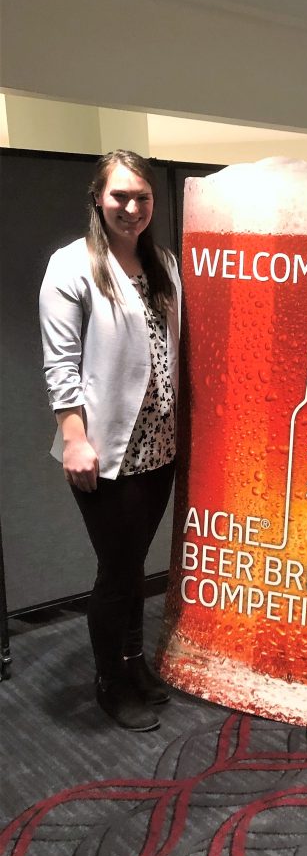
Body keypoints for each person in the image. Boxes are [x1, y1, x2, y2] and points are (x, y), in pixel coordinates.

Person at [39, 150, 182, 732]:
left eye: (142, 197)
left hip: (162, 447)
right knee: (117, 571)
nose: (131, 207)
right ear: (98, 198)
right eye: (120, 196)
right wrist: (73, 438)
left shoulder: (164, 265)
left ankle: (133, 661)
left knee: (136, 566)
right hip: (106, 451)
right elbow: (60, 365)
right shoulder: (71, 266)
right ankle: (111, 682)